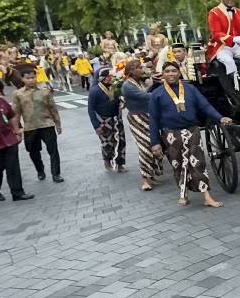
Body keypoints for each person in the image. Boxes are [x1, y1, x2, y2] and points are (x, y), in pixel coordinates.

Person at [148, 61, 229, 207]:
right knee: (178, 164)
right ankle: (183, 193)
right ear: (163, 74)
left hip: (192, 131)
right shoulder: (156, 94)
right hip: (171, 135)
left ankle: (207, 196)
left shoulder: (190, 89)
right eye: (167, 71)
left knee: (198, 163)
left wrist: (219, 117)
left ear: (179, 73)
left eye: (174, 71)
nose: (171, 74)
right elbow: (153, 119)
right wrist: (155, 143)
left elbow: (204, 105)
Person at [119, 58, 163, 191]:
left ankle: (150, 175)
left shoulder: (137, 82)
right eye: (139, 67)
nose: (142, 69)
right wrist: (159, 87)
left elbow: (146, 91)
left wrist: (155, 83)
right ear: (132, 71)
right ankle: (145, 179)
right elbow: (145, 96)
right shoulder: (127, 86)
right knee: (145, 148)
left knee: (154, 145)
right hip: (137, 119)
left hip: (148, 116)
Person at [14, 69, 64, 183]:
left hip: (47, 125)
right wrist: (17, 129)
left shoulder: (45, 92)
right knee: (33, 152)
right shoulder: (18, 94)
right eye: (28, 78)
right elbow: (16, 113)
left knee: (53, 150)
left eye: (33, 77)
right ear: (22, 79)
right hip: (30, 127)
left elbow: (53, 109)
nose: (31, 80)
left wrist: (58, 124)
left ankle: (56, 174)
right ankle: (40, 170)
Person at [87, 68, 126, 172]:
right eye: (110, 76)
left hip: (117, 119)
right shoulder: (95, 90)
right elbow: (90, 109)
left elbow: (120, 100)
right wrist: (96, 126)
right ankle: (107, 161)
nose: (112, 78)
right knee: (107, 143)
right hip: (103, 121)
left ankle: (120, 164)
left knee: (121, 141)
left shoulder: (115, 87)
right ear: (104, 78)